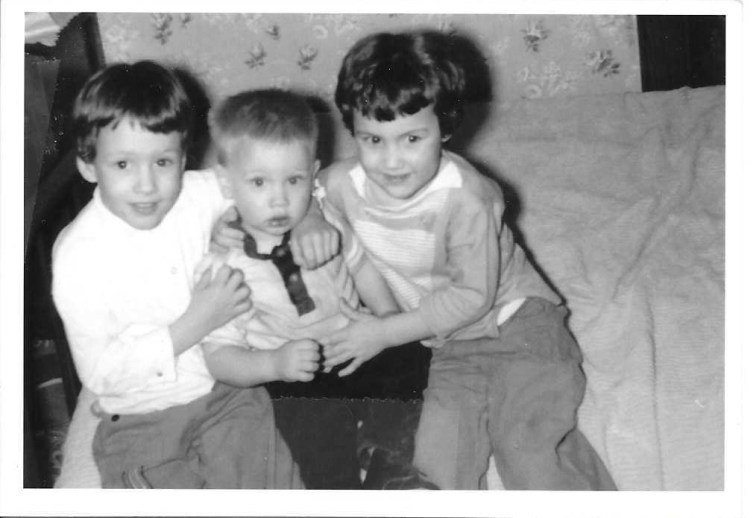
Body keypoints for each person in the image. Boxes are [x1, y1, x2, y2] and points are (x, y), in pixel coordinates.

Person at [312, 30, 618, 490]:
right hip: (448, 348)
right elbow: (304, 196)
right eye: (372, 139)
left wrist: (385, 332)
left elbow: (471, 297)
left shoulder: (468, 198)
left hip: (517, 325)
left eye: (412, 138)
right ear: (352, 130)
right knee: (433, 464)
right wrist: (307, 223)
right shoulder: (342, 184)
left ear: (446, 128)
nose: (392, 161)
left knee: (527, 446)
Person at [51, 61, 317, 489]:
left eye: (162, 161)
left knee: (272, 485)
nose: (146, 185)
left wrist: (310, 220)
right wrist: (197, 322)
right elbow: (100, 373)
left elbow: (277, 183)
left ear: (183, 157)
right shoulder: (77, 256)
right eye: (123, 164)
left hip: (225, 394)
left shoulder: (197, 192)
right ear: (87, 164)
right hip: (139, 416)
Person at [202, 88, 436, 489]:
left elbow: (361, 267)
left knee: (413, 355)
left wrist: (385, 320)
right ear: (226, 181)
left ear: (313, 175)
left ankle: (386, 463)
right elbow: (219, 357)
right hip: (291, 372)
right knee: (312, 426)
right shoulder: (224, 265)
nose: (279, 200)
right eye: (258, 182)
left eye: (293, 180)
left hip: (354, 345)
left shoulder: (323, 220)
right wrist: (273, 364)